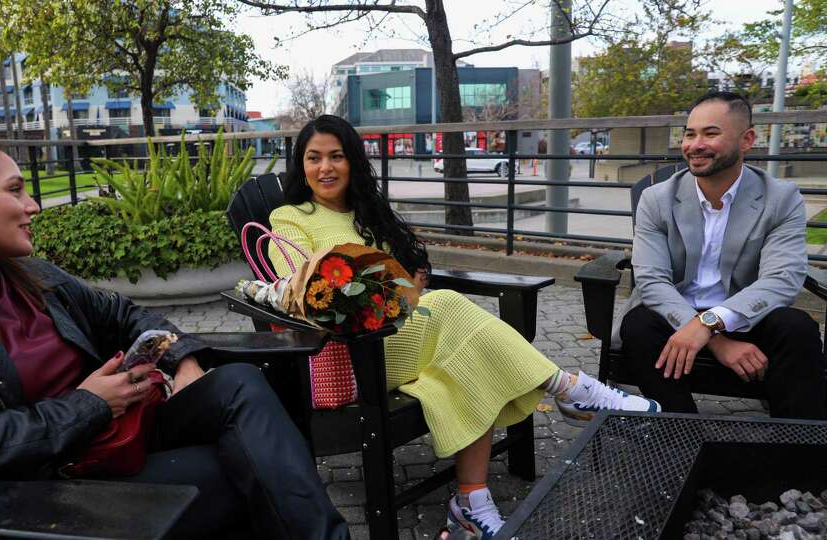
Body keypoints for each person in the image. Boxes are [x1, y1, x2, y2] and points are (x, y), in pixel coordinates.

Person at [0, 129, 349, 540]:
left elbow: (124, 314)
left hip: (106, 441)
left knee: (240, 384)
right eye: (14, 190)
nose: (32, 204)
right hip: (35, 490)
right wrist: (90, 404)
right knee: (252, 470)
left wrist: (182, 361)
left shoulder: (30, 275)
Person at [268, 115, 661, 540]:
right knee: (451, 305)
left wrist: (397, 289)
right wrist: (396, 292)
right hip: (353, 355)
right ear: (300, 165)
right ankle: (571, 389)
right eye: (314, 158)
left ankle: (471, 502)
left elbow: (402, 278)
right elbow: (308, 294)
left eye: (336, 156)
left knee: (472, 355)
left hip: (402, 334)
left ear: (353, 162)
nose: (325, 168)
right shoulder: (289, 219)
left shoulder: (367, 213)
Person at [617, 91, 827, 419]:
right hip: (675, 316)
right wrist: (714, 338)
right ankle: (682, 436)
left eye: (710, 133)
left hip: (745, 315)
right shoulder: (657, 199)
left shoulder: (780, 199)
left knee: (797, 329)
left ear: (747, 140)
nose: (695, 144)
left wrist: (711, 324)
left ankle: (795, 453)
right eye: (690, 133)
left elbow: (782, 278)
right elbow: (651, 280)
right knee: (639, 325)